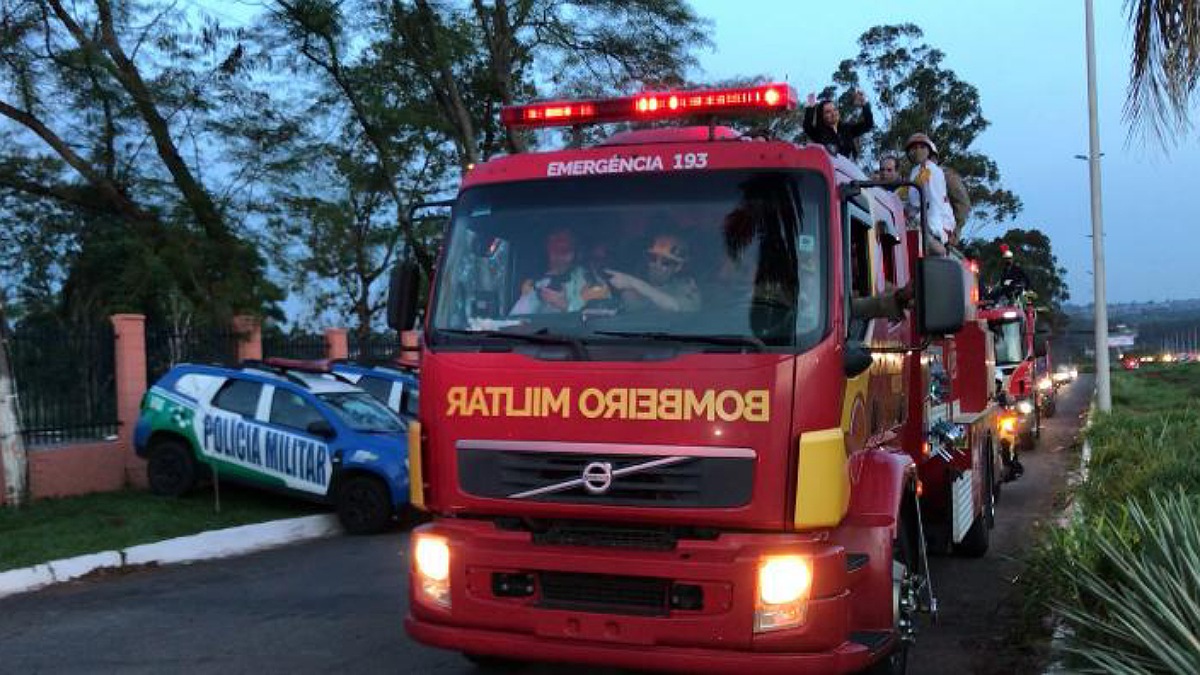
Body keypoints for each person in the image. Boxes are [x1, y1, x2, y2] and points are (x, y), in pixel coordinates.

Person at [605, 233, 700, 312]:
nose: (656, 265)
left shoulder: (686, 287)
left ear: (678, 267)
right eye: (653, 259)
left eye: (665, 262)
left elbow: (677, 307)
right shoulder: (629, 286)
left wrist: (633, 283)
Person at [510, 228, 591, 314]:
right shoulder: (535, 282)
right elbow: (516, 317)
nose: (559, 256)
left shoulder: (588, 278)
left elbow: (597, 317)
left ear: (575, 251)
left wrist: (566, 306)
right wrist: (537, 294)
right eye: (555, 249)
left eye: (565, 249)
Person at [904, 132, 956, 250]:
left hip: (936, 225)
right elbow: (912, 201)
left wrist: (934, 230)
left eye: (922, 147)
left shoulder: (933, 171)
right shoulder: (915, 171)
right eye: (914, 148)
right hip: (920, 219)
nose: (917, 151)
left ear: (929, 151)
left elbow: (935, 202)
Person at [802, 90, 874, 160]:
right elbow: (807, 126)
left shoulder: (847, 129)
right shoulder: (819, 133)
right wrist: (810, 108)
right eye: (828, 112)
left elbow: (868, 124)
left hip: (848, 169)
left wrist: (864, 104)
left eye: (835, 109)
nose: (833, 114)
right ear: (822, 116)